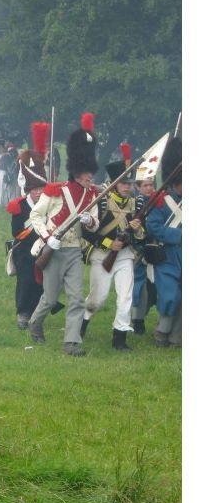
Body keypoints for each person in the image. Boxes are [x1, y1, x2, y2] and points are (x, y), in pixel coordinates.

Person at [27, 113, 100, 356]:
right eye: (86, 172)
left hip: (74, 251)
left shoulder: (93, 196)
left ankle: (71, 342)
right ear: (77, 171)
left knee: (77, 299)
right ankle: (35, 323)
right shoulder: (55, 191)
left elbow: (95, 225)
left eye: (91, 172)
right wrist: (48, 237)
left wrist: (90, 221)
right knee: (49, 298)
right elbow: (35, 216)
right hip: (53, 249)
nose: (90, 176)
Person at [80, 148, 144, 351]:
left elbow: (141, 235)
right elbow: (86, 231)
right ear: (115, 183)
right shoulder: (101, 201)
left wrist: (137, 229)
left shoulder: (135, 203)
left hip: (124, 255)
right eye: (125, 183)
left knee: (125, 296)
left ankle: (120, 338)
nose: (128, 187)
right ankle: (80, 326)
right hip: (102, 254)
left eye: (130, 183)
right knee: (97, 298)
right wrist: (108, 244)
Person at [6, 124, 48, 328]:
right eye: (35, 189)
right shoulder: (19, 206)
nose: (38, 192)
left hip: (43, 249)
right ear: (28, 189)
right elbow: (17, 232)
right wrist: (35, 226)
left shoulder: (49, 205)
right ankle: (23, 313)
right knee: (25, 282)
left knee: (40, 283)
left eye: (41, 188)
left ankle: (35, 313)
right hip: (24, 250)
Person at [146, 137, 182, 348]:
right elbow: (154, 227)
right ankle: (162, 332)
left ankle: (177, 337)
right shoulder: (162, 200)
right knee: (170, 296)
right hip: (167, 257)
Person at [131, 176, 157, 334]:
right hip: (139, 250)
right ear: (138, 187)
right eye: (145, 185)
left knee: (153, 288)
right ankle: (137, 320)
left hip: (155, 248)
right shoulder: (138, 202)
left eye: (151, 185)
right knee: (139, 287)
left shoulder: (156, 200)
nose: (149, 188)